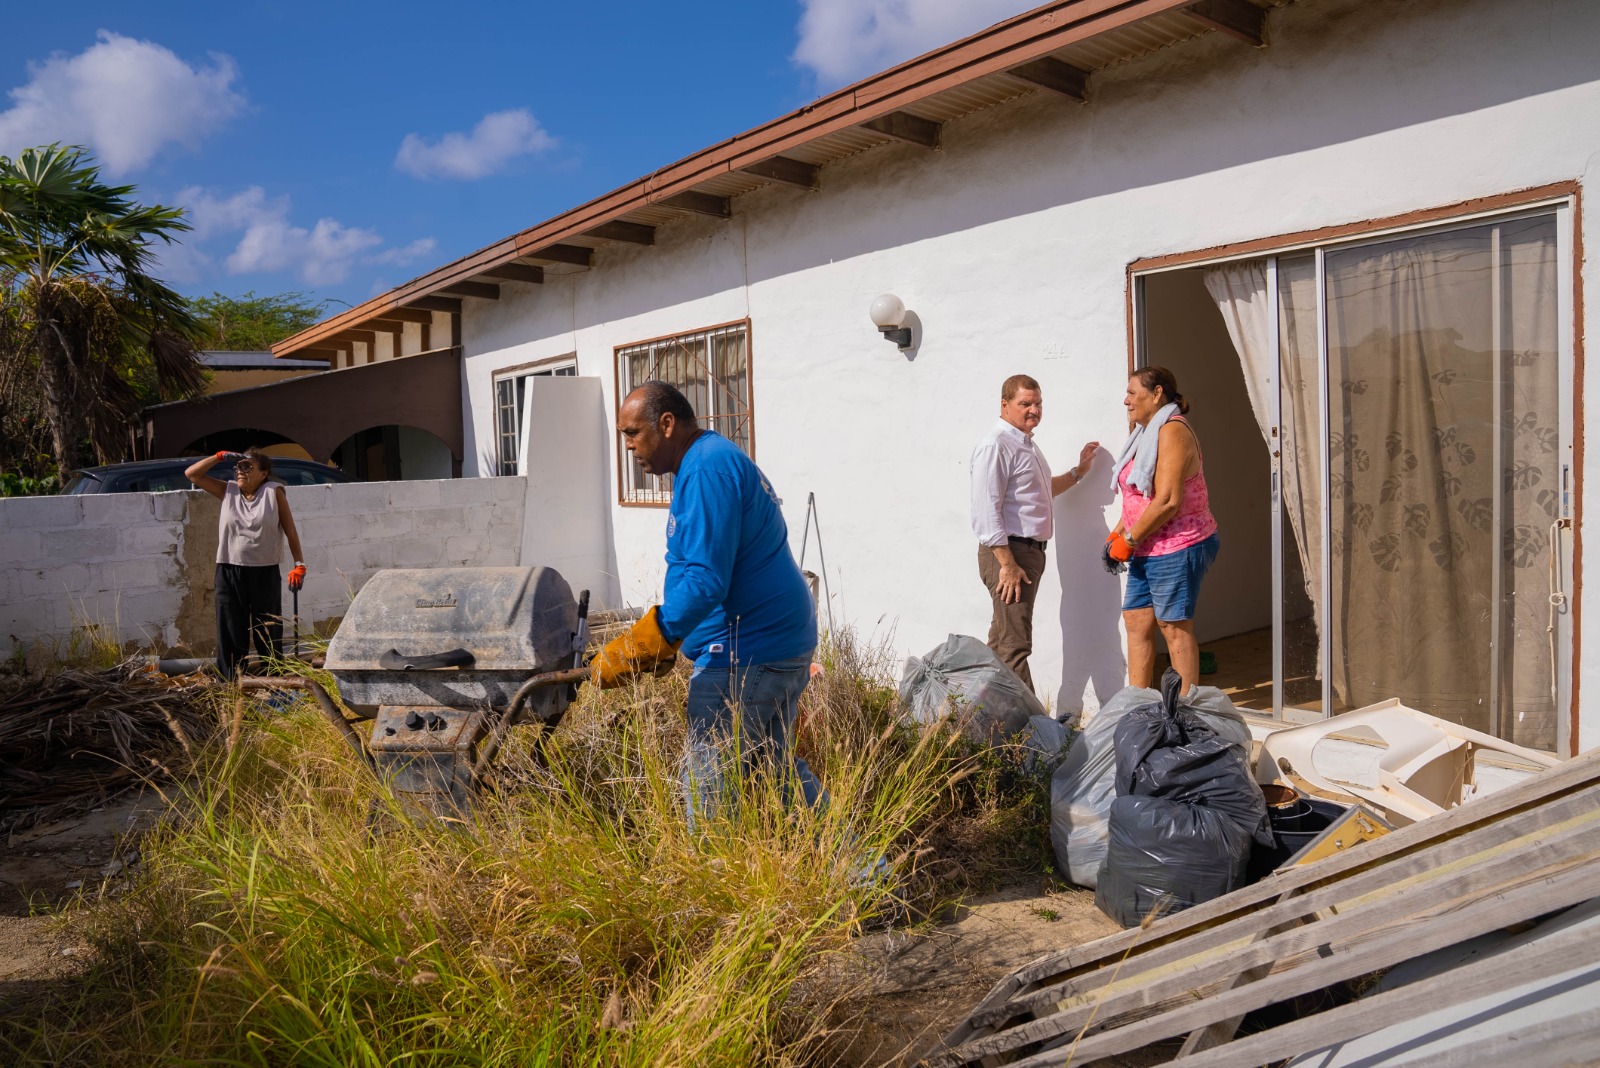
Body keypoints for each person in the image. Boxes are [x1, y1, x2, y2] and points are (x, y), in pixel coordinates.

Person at [591, 381, 822, 826]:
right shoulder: (710, 461)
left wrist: (649, 641)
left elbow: (703, 581)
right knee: (779, 777)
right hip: (772, 644)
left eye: (632, 433)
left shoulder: (706, 470)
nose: (629, 446)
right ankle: (869, 880)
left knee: (708, 784)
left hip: (745, 654)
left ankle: (715, 883)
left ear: (667, 424)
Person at [970, 374, 1098, 692]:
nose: (1033, 410)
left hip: (1026, 553)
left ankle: (980, 722)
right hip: (1010, 555)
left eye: (1038, 403)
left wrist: (1079, 472)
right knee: (1014, 646)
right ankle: (1030, 733)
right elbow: (985, 512)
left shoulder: (1024, 444)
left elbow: (1043, 490)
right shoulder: (996, 445)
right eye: (1025, 403)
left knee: (1001, 642)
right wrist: (1008, 564)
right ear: (1005, 405)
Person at [1103, 366, 1220, 693]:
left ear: (1157, 394)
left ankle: (1187, 711)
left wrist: (1128, 539)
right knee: (1137, 622)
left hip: (1178, 544)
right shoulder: (1144, 434)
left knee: (1173, 627)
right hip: (1146, 544)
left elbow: (1168, 499)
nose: (1125, 400)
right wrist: (1117, 533)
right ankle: (1137, 705)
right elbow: (1139, 496)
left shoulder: (1171, 431)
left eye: (1131, 392)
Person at [184, 448, 306, 680]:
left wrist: (299, 563)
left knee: (267, 630)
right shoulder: (228, 491)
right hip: (229, 570)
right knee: (231, 629)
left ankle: (275, 680)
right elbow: (192, 474)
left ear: (263, 472)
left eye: (247, 467)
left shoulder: (273, 492)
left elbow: (290, 530)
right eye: (238, 467)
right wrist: (218, 457)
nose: (240, 471)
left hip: (264, 572)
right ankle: (231, 683)